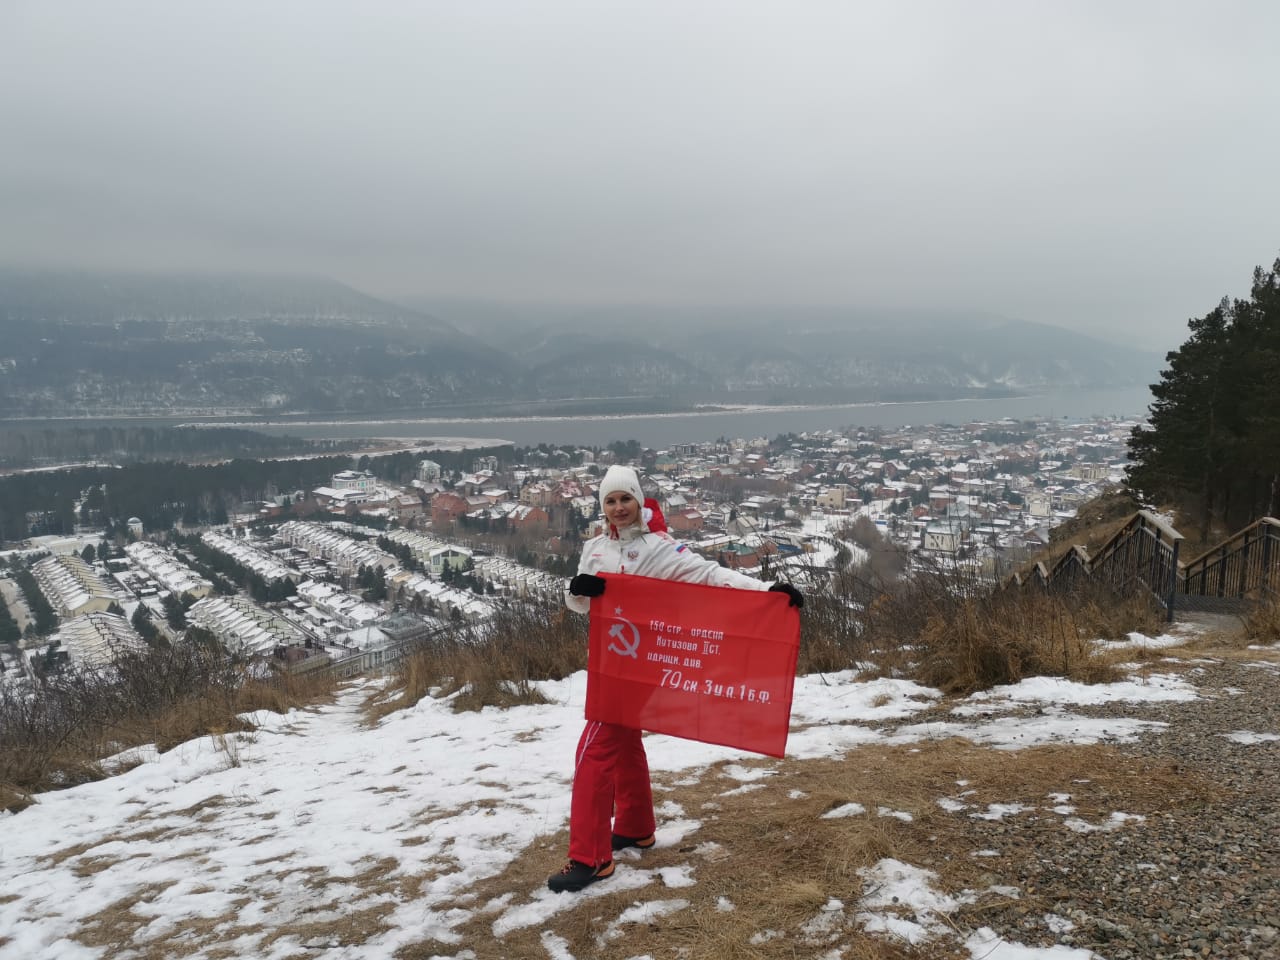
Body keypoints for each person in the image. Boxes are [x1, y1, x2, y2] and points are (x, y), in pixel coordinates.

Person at [548, 464, 804, 893]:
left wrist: (766, 593)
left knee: (594, 750)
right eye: (610, 501)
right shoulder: (593, 548)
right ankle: (635, 827)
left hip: (641, 663)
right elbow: (579, 601)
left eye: (625, 498)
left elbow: (708, 575)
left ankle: (590, 858)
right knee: (625, 740)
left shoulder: (659, 547)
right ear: (602, 507)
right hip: (609, 661)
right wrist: (578, 590)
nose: (618, 508)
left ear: (639, 500)